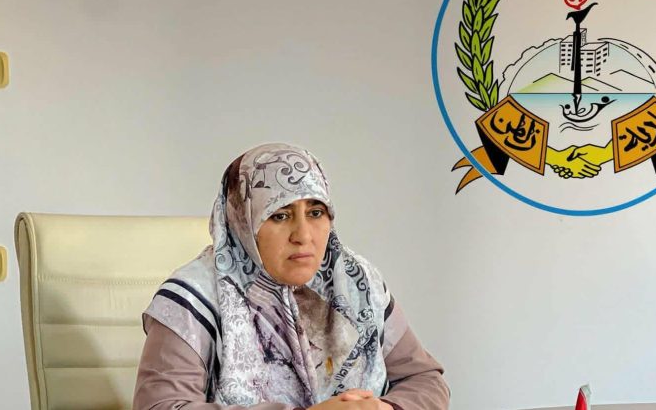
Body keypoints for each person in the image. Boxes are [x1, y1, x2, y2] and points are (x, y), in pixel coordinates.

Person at [134, 143, 449, 410]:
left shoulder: (358, 282)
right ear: (243, 221)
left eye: (315, 213)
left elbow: (424, 379)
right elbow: (160, 406)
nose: (303, 236)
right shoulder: (193, 297)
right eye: (280, 216)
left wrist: (385, 408)